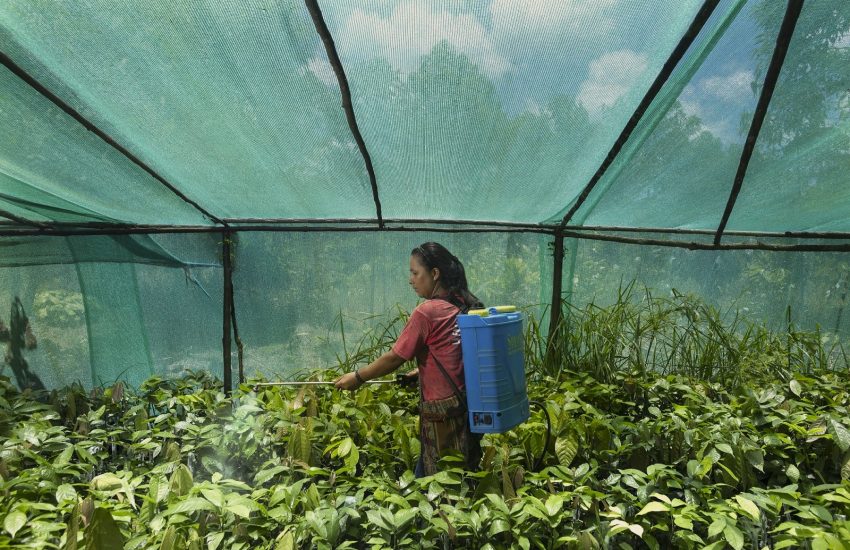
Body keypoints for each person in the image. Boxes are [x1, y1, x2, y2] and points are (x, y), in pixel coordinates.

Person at [334, 242, 484, 477]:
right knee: (459, 472)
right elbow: (454, 353)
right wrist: (420, 372)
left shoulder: (427, 312)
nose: (410, 280)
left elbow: (395, 357)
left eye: (415, 273)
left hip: (441, 414)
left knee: (441, 483)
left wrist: (358, 377)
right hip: (466, 405)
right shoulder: (461, 304)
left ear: (435, 273)